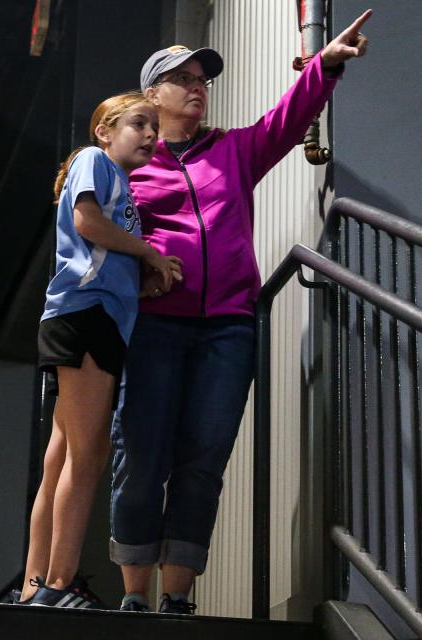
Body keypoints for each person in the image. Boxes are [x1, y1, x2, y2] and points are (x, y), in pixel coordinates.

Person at [110, 10, 372, 614]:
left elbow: (286, 123)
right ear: (153, 95)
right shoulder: (129, 166)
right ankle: (134, 597)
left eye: (204, 78)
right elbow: (97, 230)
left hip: (227, 328)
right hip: (153, 327)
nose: (199, 86)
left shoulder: (232, 150)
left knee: (203, 458)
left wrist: (325, 65)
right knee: (143, 454)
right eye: (184, 78)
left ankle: (177, 597)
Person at [17, 91, 182, 608]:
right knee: (89, 456)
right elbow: (88, 225)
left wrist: (142, 283)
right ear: (104, 130)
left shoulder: (124, 192)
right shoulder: (95, 162)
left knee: (62, 456)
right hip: (86, 319)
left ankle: (34, 586)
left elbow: (101, 255)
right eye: (140, 124)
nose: (152, 135)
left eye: (155, 127)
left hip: (88, 316)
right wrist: (150, 252)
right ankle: (57, 585)